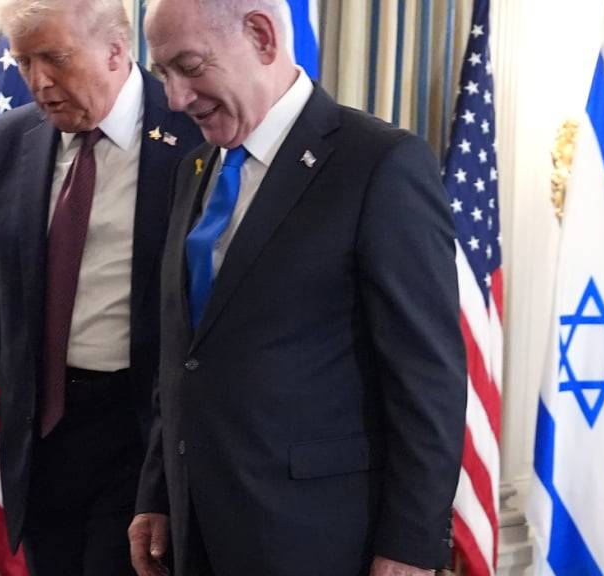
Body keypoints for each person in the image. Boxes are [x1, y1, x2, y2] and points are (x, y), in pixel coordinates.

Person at [128, 1, 467, 575]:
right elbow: (186, 355)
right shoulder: (196, 168)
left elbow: (427, 378)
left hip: (319, 537)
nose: (177, 98)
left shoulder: (378, 164)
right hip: (197, 530)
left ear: (261, 36)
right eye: (163, 73)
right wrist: (159, 492)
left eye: (188, 66)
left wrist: (411, 544)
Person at [0, 0, 202, 574]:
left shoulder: (194, 134)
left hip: (144, 435)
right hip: (40, 437)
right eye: (24, 63)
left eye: (55, 58)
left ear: (117, 50)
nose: (38, 82)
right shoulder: (4, 143)